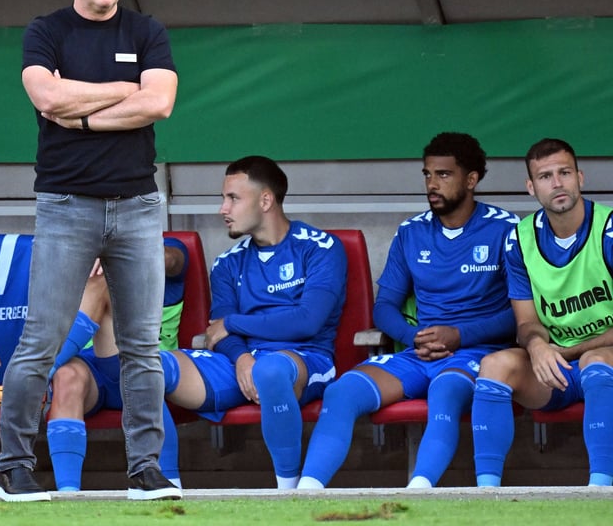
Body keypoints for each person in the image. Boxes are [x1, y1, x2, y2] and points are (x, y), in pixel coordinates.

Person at [0, 0, 179, 502]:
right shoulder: (45, 32)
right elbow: (46, 99)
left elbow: (161, 103)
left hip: (139, 207)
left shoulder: (147, 30)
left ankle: (144, 469)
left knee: (142, 345)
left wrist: (84, 114)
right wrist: (122, 89)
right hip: (66, 206)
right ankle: (13, 468)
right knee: (40, 341)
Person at [298, 132, 519, 489]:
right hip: (420, 352)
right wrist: (411, 336)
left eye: (444, 175)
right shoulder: (411, 232)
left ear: (472, 179)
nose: (432, 184)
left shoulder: (507, 230)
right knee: (341, 391)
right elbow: (384, 306)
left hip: (478, 353)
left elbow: (520, 315)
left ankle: (419, 493)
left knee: (445, 391)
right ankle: (302, 495)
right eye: (427, 174)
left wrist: (460, 335)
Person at [162, 156, 347, 490]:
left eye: (233, 198)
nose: (222, 208)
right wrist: (243, 357)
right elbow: (218, 333)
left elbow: (307, 321)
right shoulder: (227, 263)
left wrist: (233, 323)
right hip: (241, 365)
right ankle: (165, 491)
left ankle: (287, 491)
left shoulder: (320, 247)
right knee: (149, 367)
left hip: (304, 359)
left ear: (265, 200)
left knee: (270, 370)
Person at [472, 138, 613, 487]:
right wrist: (537, 347)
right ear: (531, 187)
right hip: (556, 369)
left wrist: (563, 351)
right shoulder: (519, 239)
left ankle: (601, 487)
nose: (557, 183)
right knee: (495, 365)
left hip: (602, 358)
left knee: (596, 361)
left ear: (580, 177)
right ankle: (484, 495)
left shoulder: (608, 230)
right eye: (546, 176)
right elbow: (526, 322)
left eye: (564, 172)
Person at [46, 237, 188, 491]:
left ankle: (36, 376)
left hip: (145, 365)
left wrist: (119, 257)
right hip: (92, 371)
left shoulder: (168, 247)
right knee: (66, 376)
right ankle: (68, 496)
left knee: (107, 283)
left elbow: (172, 260)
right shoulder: (77, 255)